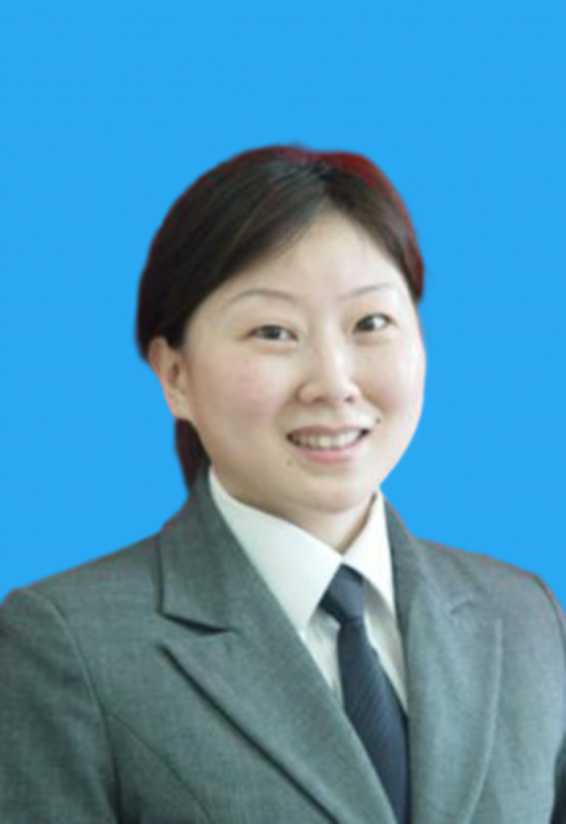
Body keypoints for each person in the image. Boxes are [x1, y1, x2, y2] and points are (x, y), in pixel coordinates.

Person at [0, 146, 564, 824]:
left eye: (370, 323)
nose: (333, 383)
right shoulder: (66, 643)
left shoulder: (525, 616)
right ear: (175, 376)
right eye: (273, 332)